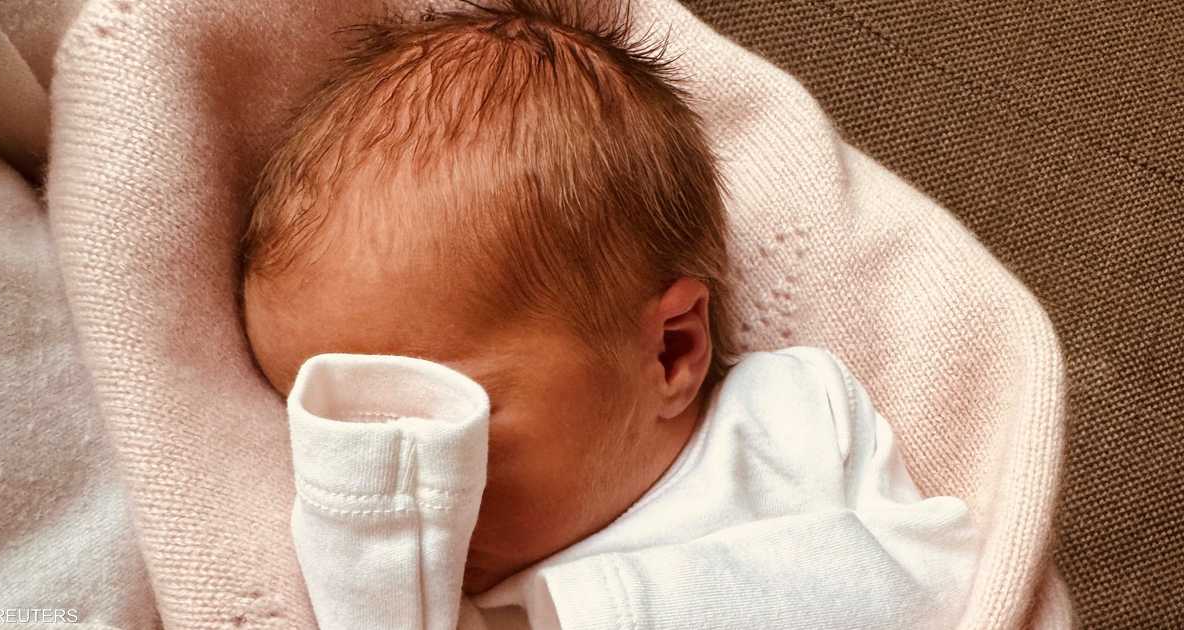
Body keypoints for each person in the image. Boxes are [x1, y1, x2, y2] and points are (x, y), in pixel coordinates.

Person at [239, 1, 977, 628]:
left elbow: (935, 583)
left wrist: (605, 609)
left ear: (671, 351)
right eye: (330, 433)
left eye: (453, 417)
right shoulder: (436, 591)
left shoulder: (785, 421)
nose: (402, 479)